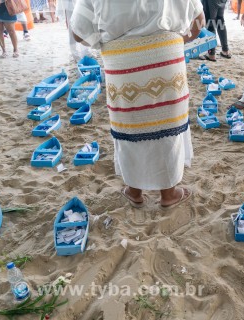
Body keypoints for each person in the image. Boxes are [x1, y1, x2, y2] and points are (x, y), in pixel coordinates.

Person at [71, 0, 204, 209]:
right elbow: (199, 20)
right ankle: (169, 194)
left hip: (122, 62)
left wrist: (104, 42)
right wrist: (179, 40)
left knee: (129, 127)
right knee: (167, 127)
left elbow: (78, 31)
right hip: (166, 56)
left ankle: (134, 191)